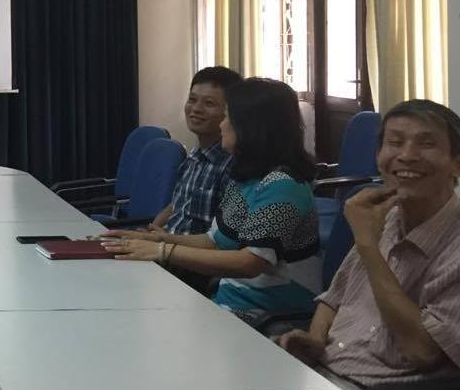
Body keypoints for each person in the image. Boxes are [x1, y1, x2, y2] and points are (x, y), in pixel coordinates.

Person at [275, 99, 460, 389]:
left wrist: (368, 244)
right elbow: (335, 297)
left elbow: (422, 351)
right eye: (395, 142)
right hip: (323, 369)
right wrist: (315, 340)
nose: (407, 155)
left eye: (426, 144)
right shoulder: (389, 215)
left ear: (459, 164)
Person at [102, 78, 320, 326]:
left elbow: (250, 263)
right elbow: (215, 241)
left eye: (227, 117)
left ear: (250, 127)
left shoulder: (283, 184)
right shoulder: (248, 177)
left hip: (267, 316)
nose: (222, 125)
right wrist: (159, 239)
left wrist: (163, 251)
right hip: (231, 300)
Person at [151, 66, 243, 235]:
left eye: (209, 103)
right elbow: (177, 203)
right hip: (165, 243)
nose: (196, 109)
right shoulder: (194, 156)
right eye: (192, 100)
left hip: (187, 249)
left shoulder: (233, 167)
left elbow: (220, 241)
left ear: (231, 112)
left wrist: (163, 242)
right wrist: (150, 232)